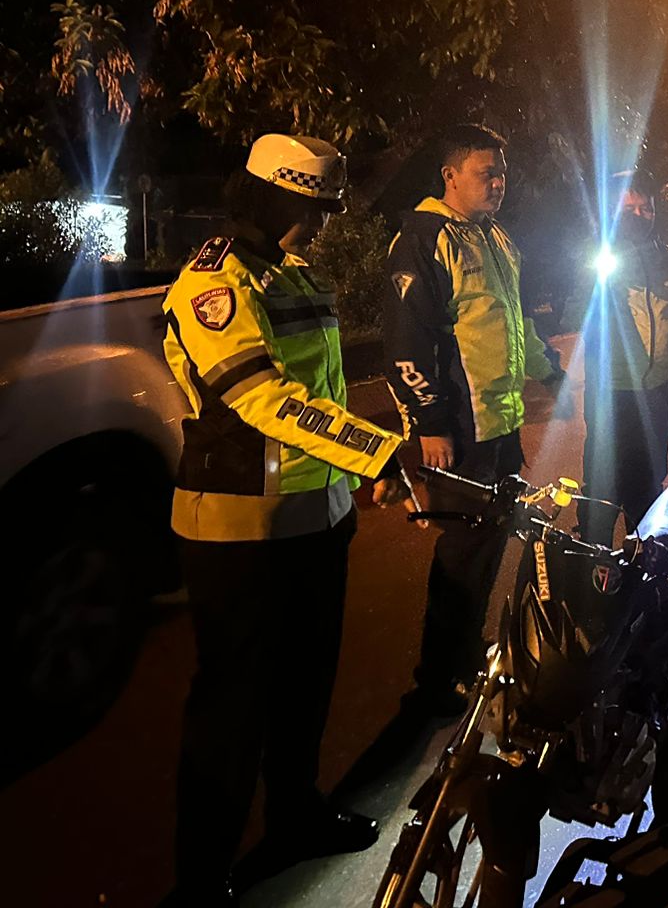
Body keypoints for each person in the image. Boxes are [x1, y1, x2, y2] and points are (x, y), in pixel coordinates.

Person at [161, 135, 411, 907]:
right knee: (232, 710)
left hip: (316, 518)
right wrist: (378, 453)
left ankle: (296, 817)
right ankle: (200, 881)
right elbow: (265, 400)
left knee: (306, 687)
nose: (325, 225)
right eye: (315, 209)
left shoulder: (293, 272)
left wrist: (351, 475)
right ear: (272, 198)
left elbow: (324, 390)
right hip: (241, 531)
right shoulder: (215, 283)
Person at [384, 124, 564, 716]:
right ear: (451, 176)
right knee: (461, 553)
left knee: (487, 544)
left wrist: (550, 372)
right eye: (487, 173)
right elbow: (408, 342)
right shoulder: (424, 238)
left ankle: (463, 657)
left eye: (502, 173)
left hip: (499, 426)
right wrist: (431, 422)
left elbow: (514, 321)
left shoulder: (494, 237)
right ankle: (436, 681)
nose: (498, 183)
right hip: (460, 429)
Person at [579, 172, 668, 542]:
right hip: (611, 391)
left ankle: (642, 553)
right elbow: (578, 312)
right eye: (628, 209)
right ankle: (593, 559)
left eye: (646, 208)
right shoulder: (598, 258)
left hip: (657, 389)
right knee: (603, 482)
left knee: (649, 477)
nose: (639, 216)